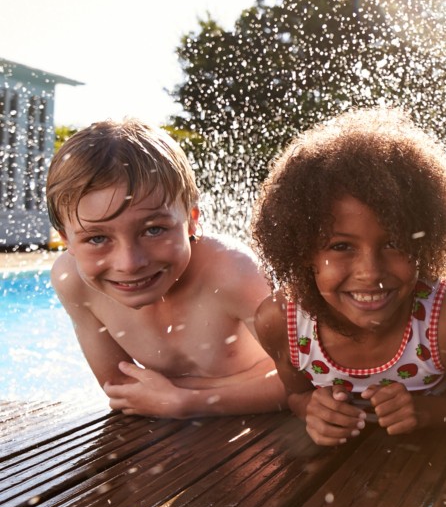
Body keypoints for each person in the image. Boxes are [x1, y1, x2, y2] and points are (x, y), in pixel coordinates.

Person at [251, 109, 446, 446]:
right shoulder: (281, 321)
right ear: (302, 250)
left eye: (394, 243)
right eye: (341, 246)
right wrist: (313, 409)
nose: (371, 272)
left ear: (424, 244)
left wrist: (425, 411)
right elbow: (296, 395)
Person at [47, 119, 285, 418]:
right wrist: (239, 385)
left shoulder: (231, 271)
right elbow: (122, 390)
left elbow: (312, 379)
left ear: (192, 219)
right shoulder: (72, 280)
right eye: (97, 238)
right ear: (66, 239)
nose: (130, 263)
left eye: (154, 230)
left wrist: (185, 402)